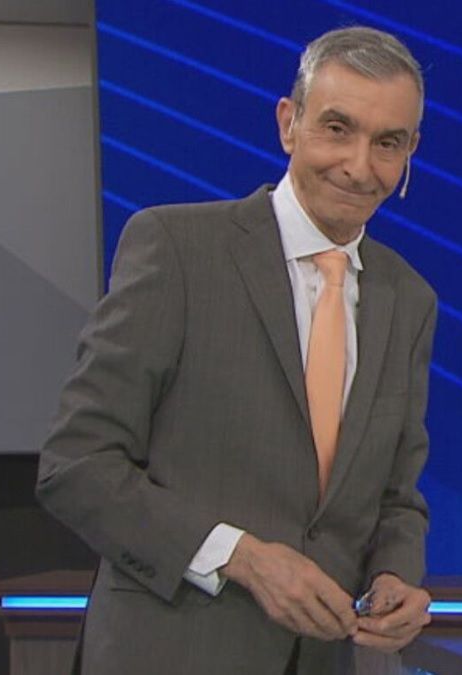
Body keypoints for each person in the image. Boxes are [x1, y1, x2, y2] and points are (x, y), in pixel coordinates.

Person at [36, 26, 435, 674]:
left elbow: (397, 495)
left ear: (410, 150)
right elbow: (77, 464)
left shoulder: (409, 299)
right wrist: (241, 556)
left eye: (387, 142)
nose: (360, 166)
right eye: (338, 129)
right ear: (289, 123)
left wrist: (396, 574)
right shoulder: (177, 249)